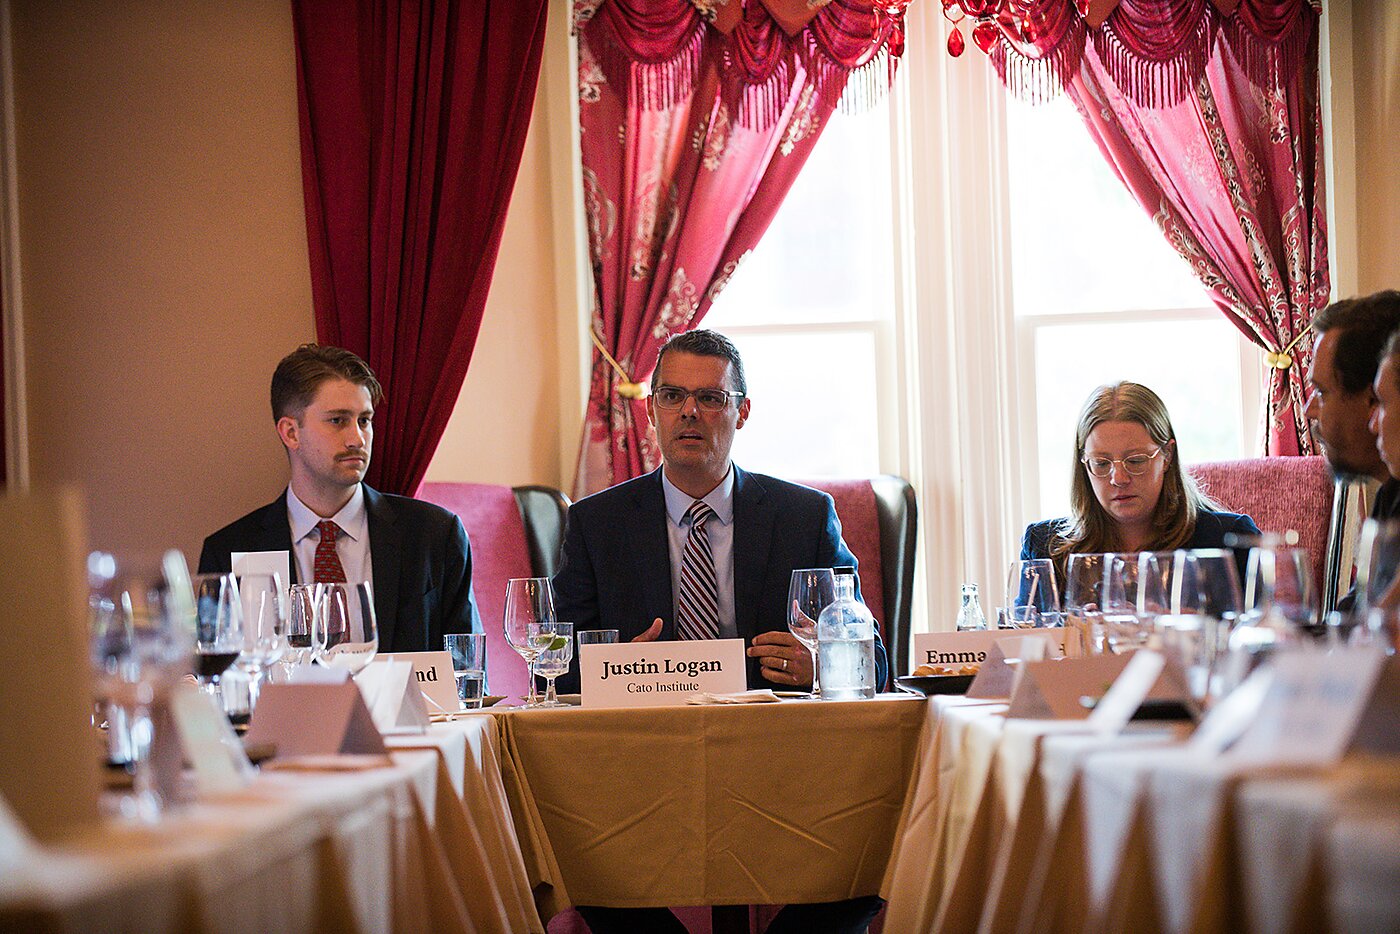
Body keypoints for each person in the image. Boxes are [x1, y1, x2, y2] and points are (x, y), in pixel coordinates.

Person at [552, 329, 886, 934]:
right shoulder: (596, 524)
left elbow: (872, 657)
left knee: (873, 849)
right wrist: (614, 668)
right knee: (571, 849)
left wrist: (820, 666)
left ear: (742, 411)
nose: (689, 412)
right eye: (673, 395)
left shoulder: (804, 516)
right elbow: (558, 669)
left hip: (779, 760)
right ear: (650, 409)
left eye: (710, 398)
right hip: (644, 763)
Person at [199, 343, 480, 651]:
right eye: (338, 420)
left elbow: (470, 678)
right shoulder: (230, 552)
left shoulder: (434, 535)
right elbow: (217, 684)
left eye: (364, 420)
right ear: (291, 432)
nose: (357, 438)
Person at [1021, 381, 1261, 581]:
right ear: (1084, 464)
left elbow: (1276, 633)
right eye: (1102, 463)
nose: (1119, 478)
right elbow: (1026, 636)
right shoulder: (1046, 549)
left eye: (1135, 461)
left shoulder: (1229, 540)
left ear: (1167, 456)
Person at [1304, 290, 1400, 610]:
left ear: (1374, 397)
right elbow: (1355, 618)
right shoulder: (1391, 495)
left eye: (1322, 392)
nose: (1308, 411)